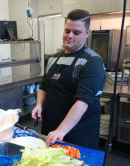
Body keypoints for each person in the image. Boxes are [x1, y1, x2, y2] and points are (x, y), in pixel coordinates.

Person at [32, 9, 106, 150]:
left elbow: (82, 102)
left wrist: (61, 131)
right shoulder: (53, 58)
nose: (69, 36)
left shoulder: (92, 62)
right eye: (67, 31)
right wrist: (39, 105)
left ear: (87, 33)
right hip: (51, 130)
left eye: (76, 33)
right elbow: (44, 87)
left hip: (77, 135)